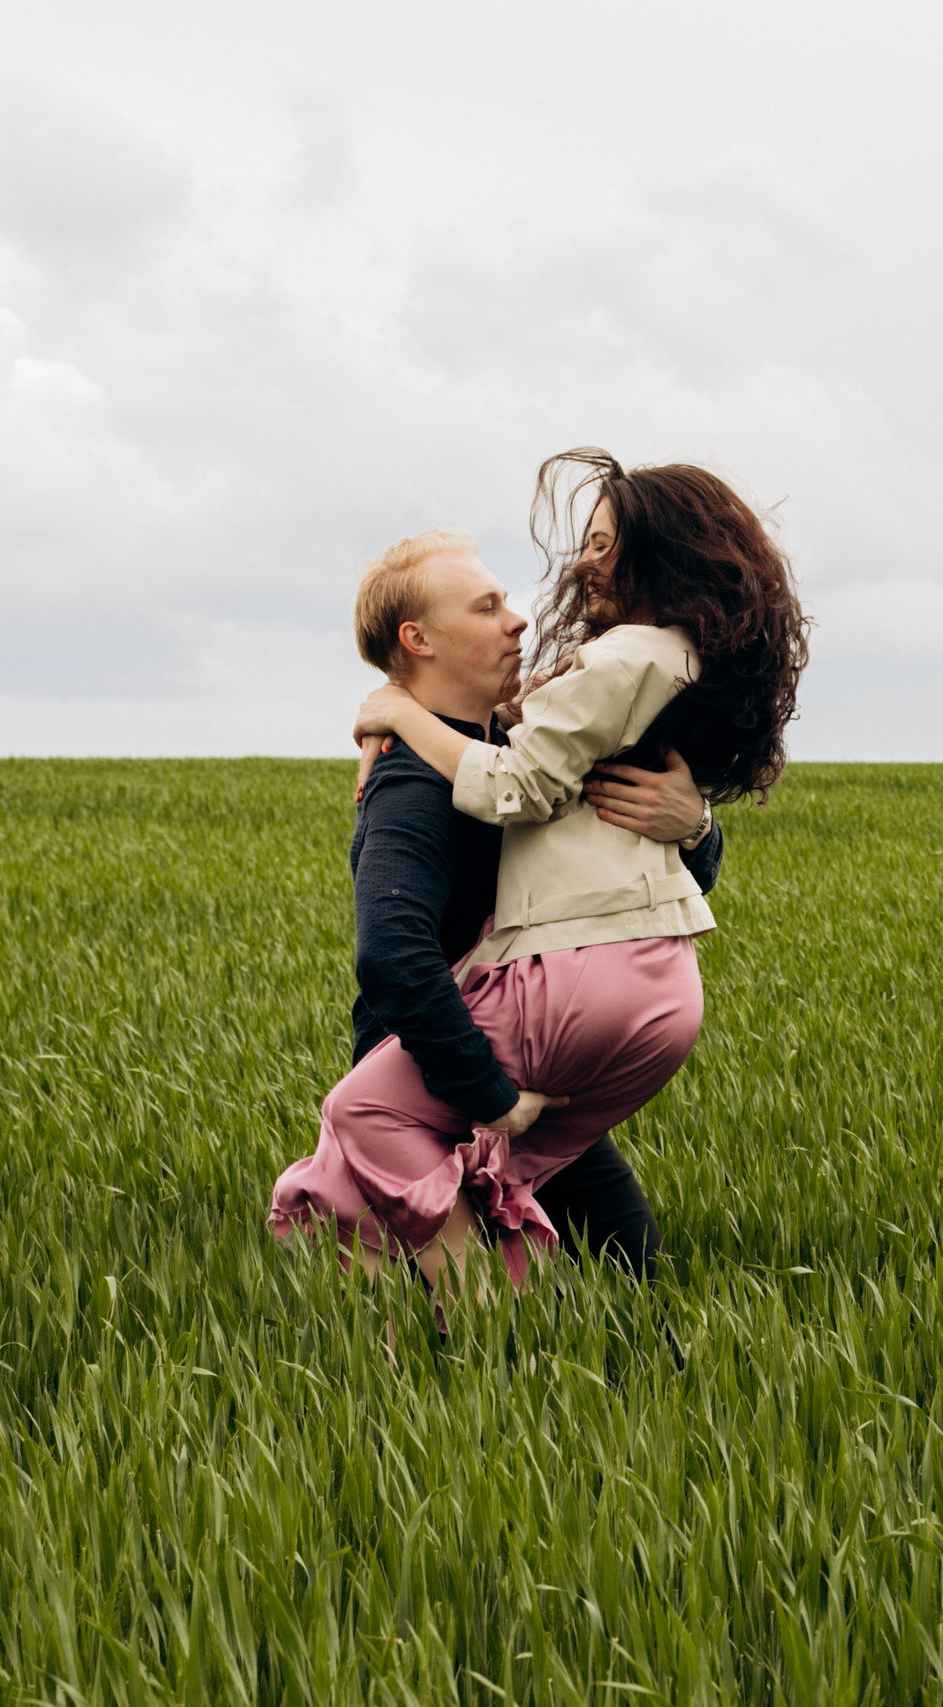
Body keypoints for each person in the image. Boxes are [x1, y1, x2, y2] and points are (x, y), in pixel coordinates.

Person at [271, 449, 807, 1301]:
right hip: (452, 1065)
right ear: (420, 640)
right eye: (487, 607)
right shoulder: (415, 784)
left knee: (631, 1272)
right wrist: (487, 1097)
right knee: (416, 1283)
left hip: (532, 1036)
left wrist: (695, 821)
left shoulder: (513, 747)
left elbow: (635, 862)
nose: (520, 619)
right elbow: (397, 957)